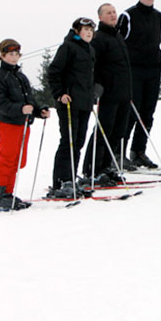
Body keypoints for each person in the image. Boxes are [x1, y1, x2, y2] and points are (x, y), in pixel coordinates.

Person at [0, 39, 50, 212]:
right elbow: (0, 102)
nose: (14, 57)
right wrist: (20, 109)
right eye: (10, 54)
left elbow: (29, 100)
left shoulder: (20, 76)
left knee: (19, 160)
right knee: (7, 158)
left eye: (16, 54)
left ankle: (7, 193)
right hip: (9, 123)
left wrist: (38, 110)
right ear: (2, 56)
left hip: (23, 124)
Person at [118, 0, 161, 169]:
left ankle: (138, 151)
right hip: (133, 70)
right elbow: (118, 40)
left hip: (153, 70)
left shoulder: (160, 17)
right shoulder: (128, 15)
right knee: (131, 112)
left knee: (147, 113)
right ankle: (119, 152)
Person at [82, 3, 132, 183]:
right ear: (101, 17)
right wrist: (96, 85)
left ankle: (106, 166)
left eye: (114, 12)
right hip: (108, 93)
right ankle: (92, 169)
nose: (113, 15)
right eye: (108, 13)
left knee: (118, 132)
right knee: (104, 130)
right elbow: (92, 63)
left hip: (124, 92)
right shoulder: (99, 38)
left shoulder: (117, 36)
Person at [47, 17, 97, 197]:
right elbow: (53, 72)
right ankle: (61, 181)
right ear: (77, 31)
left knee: (78, 141)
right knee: (68, 141)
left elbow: (90, 76)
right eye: (85, 29)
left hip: (84, 102)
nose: (89, 32)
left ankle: (71, 177)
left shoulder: (90, 49)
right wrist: (60, 94)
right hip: (68, 102)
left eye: (91, 29)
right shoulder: (68, 47)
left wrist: (94, 93)